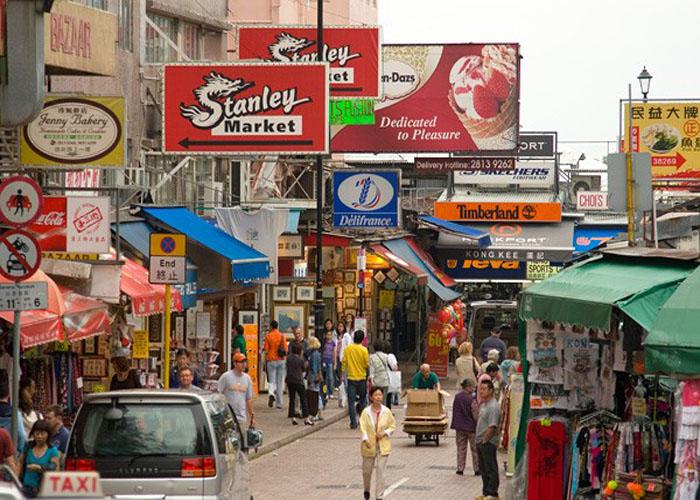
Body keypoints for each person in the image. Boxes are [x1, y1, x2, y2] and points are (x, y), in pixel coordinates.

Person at [360, 387, 396, 500]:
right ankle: (366, 490)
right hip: (369, 445)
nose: (378, 397)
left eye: (380, 395)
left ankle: (379, 496)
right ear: (371, 397)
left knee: (380, 471)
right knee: (367, 471)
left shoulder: (386, 411)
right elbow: (363, 427)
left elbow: (392, 426)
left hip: (383, 445)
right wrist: (366, 439)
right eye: (375, 395)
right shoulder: (366, 412)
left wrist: (385, 433)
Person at [19, 420, 60, 498]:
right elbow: (20, 463)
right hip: (25, 489)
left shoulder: (52, 450)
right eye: (37, 433)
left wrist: (41, 468)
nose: (39, 436)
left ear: (48, 434)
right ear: (33, 434)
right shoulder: (28, 447)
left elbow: (55, 470)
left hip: (42, 491)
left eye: (42, 433)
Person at [476, 379, 500, 500]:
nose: (481, 391)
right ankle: (485, 492)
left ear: (491, 390)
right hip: (480, 441)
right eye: (480, 388)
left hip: (488, 442)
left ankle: (493, 493)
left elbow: (493, 425)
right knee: (483, 469)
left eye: (484, 389)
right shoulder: (484, 404)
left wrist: (485, 439)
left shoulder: (493, 406)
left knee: (490, 467)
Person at [217, 353, 255, 428]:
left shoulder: (247, 378)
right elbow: (218, 394)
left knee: (242, 438)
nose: (244, 364)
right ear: (234, 363)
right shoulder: (226, 377)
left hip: (241, 417)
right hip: (227, 417)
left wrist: (252, 416)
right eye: (241, 362)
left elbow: (249, 399)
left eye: (245, 362)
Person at [451, 379, 479, 476]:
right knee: (474, 449)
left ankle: (460, 468)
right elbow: (475, 414)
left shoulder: (457, 397)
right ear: (468, 387)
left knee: (461, 448)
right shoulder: (472, 399)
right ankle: (477, 468)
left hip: (459, 426)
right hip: (471, 428)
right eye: (473, 387)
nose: (474, 389)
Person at [342, 330, 369, 429]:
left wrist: (342, 374)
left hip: (351, 378)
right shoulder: (364, 350)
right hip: (362, 377)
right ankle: (362, 421)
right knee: (362, 400)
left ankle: (353, 422)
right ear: (362, 339)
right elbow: (366, 364)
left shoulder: (348, 349)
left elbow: (344, 362)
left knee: (351, 401)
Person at [285, 343, 313, 426]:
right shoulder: (300, 360)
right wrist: (306, 365)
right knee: (303, 399)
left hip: (290, 380)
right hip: (298, 380)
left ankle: (293, 417)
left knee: (292, 399)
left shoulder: (288, 358)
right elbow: (303, 369)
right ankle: (306, 418)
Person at [262, 320, 287, 410]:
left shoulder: (268, 336)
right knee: (280, 382)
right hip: (281, 360)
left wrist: (264, 361)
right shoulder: (281, 336)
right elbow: (285, 349)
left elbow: (266, 350)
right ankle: (279, 404)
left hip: (271, 360)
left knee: (271, 381)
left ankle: (271, 393)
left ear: (271, 326)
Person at [0, 372, 25, 453]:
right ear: (8, 396)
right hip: (11, 454)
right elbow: (22, 435)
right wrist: (19, 451)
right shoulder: (15, 413)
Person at [368, 340, 391, 407]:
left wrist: (371, 380)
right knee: (384, 400)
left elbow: (372, 370)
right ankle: (383, 414)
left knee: (375, 400)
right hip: (385, 380)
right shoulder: (386, 356)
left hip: (376, 381)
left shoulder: (372, 357)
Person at [306, 337, 323, 421]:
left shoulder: (314, 354)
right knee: (317, 394)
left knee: (314, 395)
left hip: (313, 376)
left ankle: (315, 413)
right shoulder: (317, 353)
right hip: (316, 376)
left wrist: (313, 377)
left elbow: (314, 367)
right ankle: (319, 412)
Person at [321, 330, 336, 403]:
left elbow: (334, 352)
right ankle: (325, 393)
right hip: (324, 361)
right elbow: (322, 352)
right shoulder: (324, 343)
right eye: (328, 335)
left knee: (330, 377)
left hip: (330, 361)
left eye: (330, 335)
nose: (329, 336)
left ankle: (331, 392)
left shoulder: (333, 343)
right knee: (325, 379)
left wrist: (335, 362)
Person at [384, 340, 400, 408]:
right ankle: (388, 410)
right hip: (389, 377)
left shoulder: (379, 356)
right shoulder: (391, 356)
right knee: (388, 395)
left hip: (381, 377)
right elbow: (395, 368)